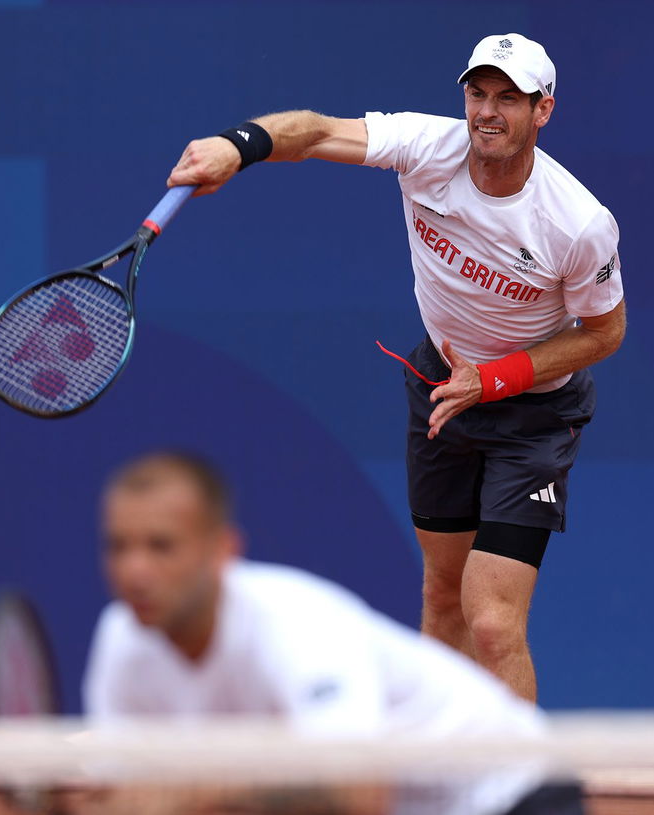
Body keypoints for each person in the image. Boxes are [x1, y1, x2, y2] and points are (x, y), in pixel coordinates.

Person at [165, 33, 625, 702]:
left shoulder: (579, 223)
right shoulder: (425, 145)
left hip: (532, 415)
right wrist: (238, 146)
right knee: (441, 596)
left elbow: (606, 332)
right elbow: (315, 132)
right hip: (440, 390)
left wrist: (493, 379)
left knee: (493, 622)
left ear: (542, 110)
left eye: (508, 98)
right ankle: (436, 778)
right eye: (477, 94)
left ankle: (517, 791)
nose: (487, 112)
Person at [82, 451, 584, 815]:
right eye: (119, 547)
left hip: (511, 795)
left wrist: (207, 793)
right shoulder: (122, 642)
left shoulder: (295, 624)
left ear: (222, 551)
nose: (135, 570)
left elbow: (355, 795)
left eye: (161, 546)